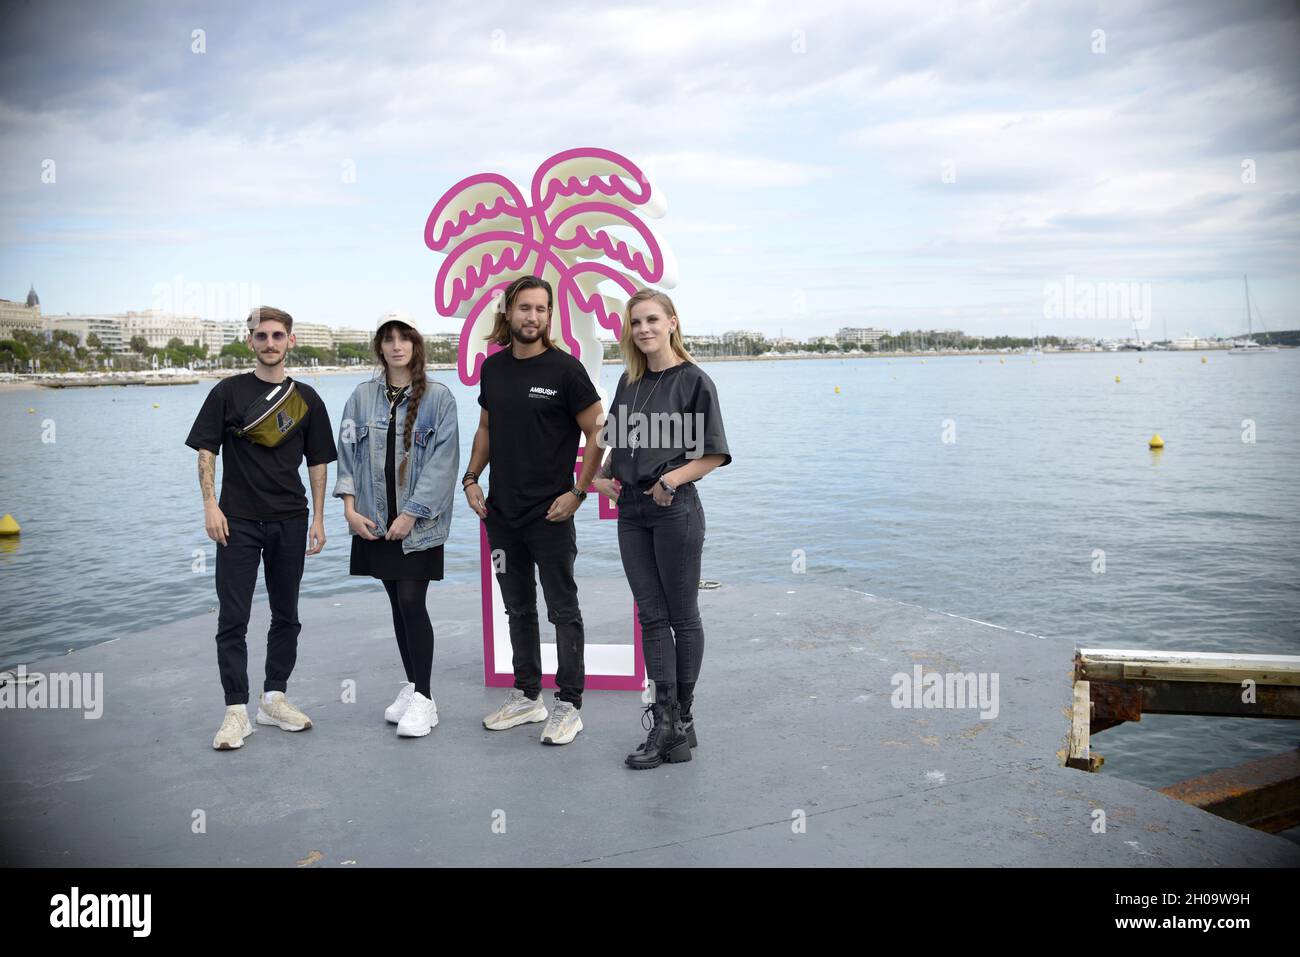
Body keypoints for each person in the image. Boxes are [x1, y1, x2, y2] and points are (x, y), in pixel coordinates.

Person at [185, 306, 337, 750]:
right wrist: (210, 505)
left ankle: (273, 698)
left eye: (277, 336)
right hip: (238, 521)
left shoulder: (306, 398)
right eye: (261, 336)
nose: (269, 343)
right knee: (233, 616)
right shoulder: (227, 393)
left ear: (291, 341)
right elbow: (206, 452)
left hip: (291, 519)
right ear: (250, 341)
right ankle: (236, 712)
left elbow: (319, 461)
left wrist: (320, 518)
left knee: (286, 614)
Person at [592, 289, 731, 769]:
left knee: (682, 615)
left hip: (674, 509)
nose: (644, 329)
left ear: (672, 322)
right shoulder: (630, 383)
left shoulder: (693, 381)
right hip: (631, 513)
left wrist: (669, 479)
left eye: (653, 319)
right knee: (651, 617)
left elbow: (712, 453)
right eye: (636, 322)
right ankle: (667, 721)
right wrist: (600, 477)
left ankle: (681, 720)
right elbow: (612, 441)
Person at [463, 276, 604, 745]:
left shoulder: (565, 370)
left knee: (563, 609)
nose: (533, 317)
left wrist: (579, 492)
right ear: (508, 311)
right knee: (517, 607)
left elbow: (598, 432)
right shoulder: (495, 368)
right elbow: (486, 426)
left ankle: (569, 704)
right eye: (524, 308)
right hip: (502, 515)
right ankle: (528, 696)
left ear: (550, 315)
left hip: (551, 515)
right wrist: (470, 477)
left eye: (542, 309)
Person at [333, 314, 459, 738]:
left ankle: (425, 699)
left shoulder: (439, 398)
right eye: (388, 340)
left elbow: (444, 464)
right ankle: (413, 687)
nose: (396, 346)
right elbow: (347, 452)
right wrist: (349, 511)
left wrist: (411, 514)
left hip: (417, 526)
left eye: (404, 339)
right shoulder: (361, 396)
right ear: (380, 349)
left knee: (411, 601)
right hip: (373, 520)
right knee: (395, 603)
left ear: (415, 347)